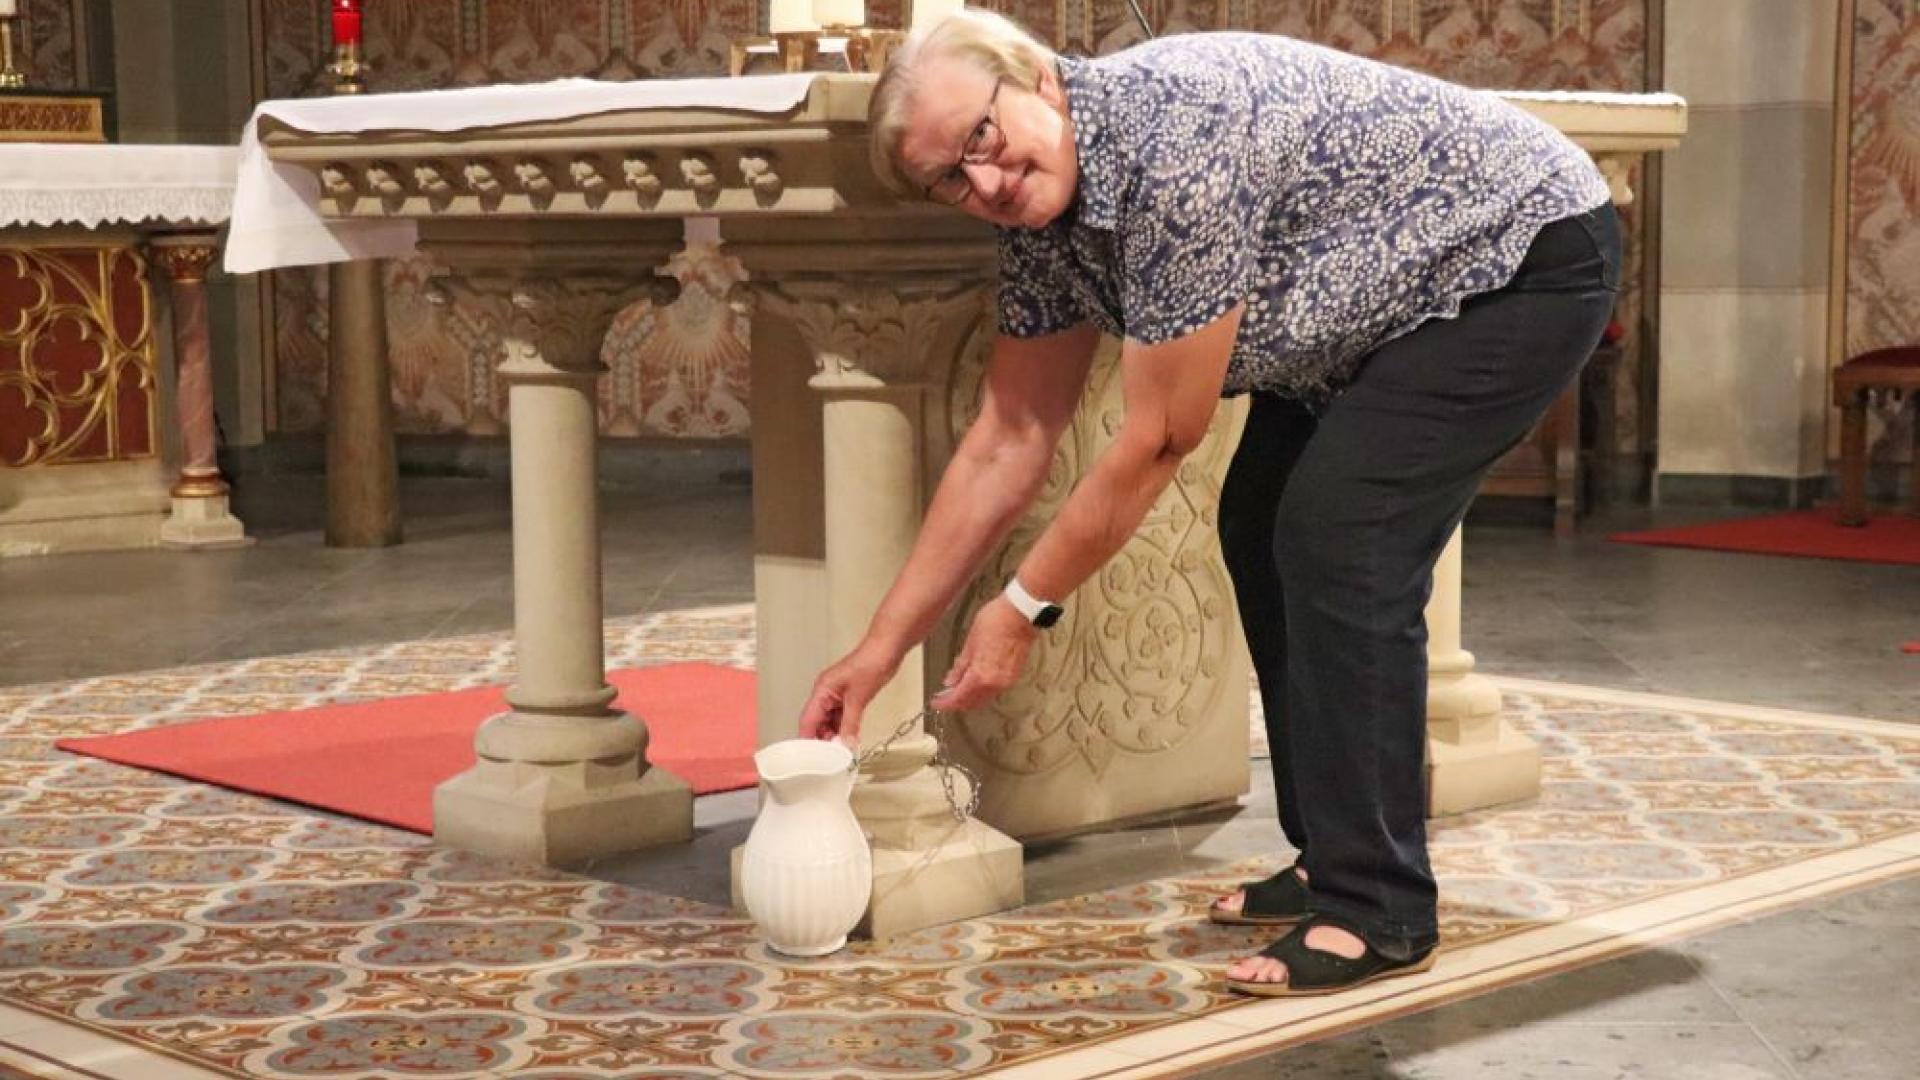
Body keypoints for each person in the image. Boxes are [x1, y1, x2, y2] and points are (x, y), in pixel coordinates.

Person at [797, 10, 1620, 997]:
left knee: (1340, 535)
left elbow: (1160, 437)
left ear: (1038, 79)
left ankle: (1379, 906)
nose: (987, 181)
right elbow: (1009, 438)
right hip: (1377, 306)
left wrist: (1020, 609)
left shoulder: (1171, 137)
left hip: (1522, 258)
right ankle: (1332, 857)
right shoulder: (1045, 227)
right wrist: (878, 650)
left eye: (982, 135)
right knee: (1261, 522)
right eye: (951, 179)